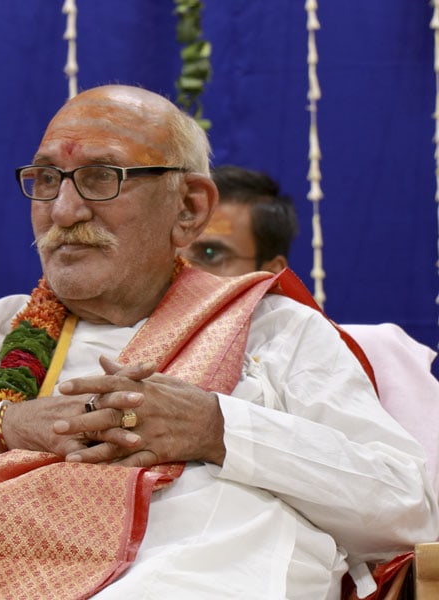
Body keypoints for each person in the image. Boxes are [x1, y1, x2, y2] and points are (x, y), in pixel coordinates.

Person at [0, 86, 439, 599]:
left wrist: (221, 430)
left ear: (189, 207)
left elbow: (410, 511)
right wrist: (2, 432)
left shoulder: (278, 332)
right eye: (46, 179)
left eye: (100, 177)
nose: (62, 211)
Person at [181, 163, 439, 496]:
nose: (185, 270)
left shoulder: (304, 348)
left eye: (211, 254)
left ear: (271, 272)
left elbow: (400, 500)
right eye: (175, 254)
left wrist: (220, 430)